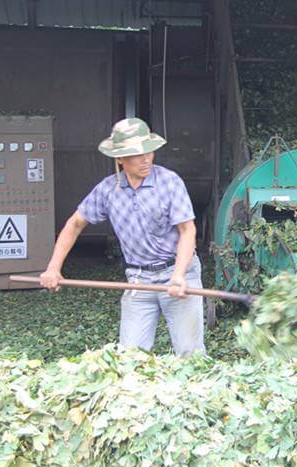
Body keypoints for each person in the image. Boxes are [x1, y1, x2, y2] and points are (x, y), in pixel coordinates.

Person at [40, 118, 204, 357]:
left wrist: (179, 275)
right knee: (129, 358)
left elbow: (187, 231)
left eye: (148, 151)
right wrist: (53, 268)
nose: (146, 159)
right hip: (137, 279)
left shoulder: (169, 183)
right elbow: (74, 224)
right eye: (137, 154)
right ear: (119, 158)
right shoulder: (108, 190)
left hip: (178, 274)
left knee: (191, 355)